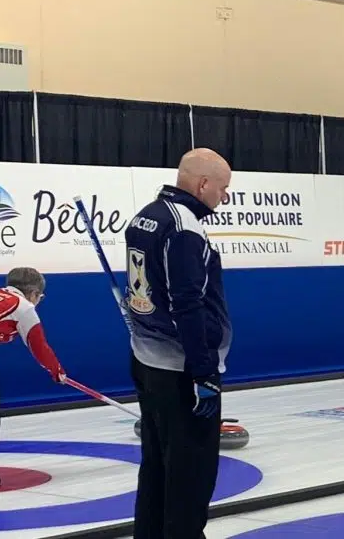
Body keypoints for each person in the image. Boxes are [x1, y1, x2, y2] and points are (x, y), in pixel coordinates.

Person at [125, 148, 233, 538]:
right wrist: (202, 371)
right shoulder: (184, 226)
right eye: (223, 189)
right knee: (191, 476)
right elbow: (187, 302)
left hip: (148, 362)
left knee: (156, 465)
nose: (224, 197)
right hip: (182, 371)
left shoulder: (147, 216)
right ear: (203, 184)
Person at [0, 268, 65, 488]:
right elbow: (37, 345)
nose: (39, 301)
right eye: (40, 297)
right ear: (33, 293)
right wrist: (56, 371)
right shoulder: (23, 306)